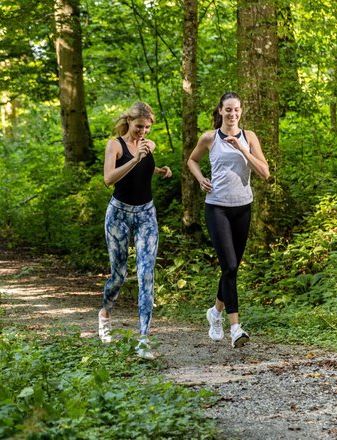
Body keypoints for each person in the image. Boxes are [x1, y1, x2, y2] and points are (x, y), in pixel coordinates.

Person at [187, 92, 270, 348]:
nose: (232, 114)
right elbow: (192, 160)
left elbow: (265, 173)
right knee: (230, 266)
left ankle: (215, 312)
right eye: (228, 110)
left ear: (241, 112)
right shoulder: (209, 138)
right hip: (217, 208)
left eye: (236, 110)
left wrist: (242, 148)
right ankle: (235, 328)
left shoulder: (250, 137)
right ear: (220, 111)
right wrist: (200, 178)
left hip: (243, 208)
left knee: (231, 267)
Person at [98, 101, 172, 360]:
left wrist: (160, 170)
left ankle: (143, 340)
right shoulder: (114, 145)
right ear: (129, 122)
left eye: (148, 128)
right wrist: (137, 158)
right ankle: (105, 315)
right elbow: (109, 179)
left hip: (145, 215)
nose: (143, 132)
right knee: (118, 275)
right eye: (139, 126)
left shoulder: (148, 146)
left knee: (146, 275)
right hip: (118, 213)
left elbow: (145, 169)